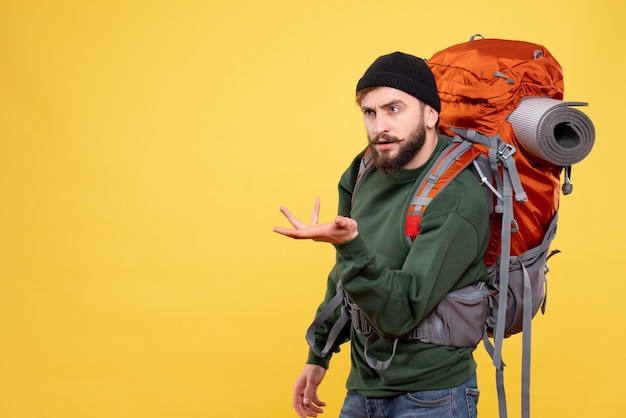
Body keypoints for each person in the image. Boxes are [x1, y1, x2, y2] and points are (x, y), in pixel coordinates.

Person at [273, 51, 490, 418]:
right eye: (369, 112)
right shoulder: (364, 168)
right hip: (363, 388)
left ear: (430, 114)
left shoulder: (455, 197)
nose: (379, 127)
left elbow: (400, 314)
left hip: (434, 396)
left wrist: (350, 246)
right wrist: (319, 354)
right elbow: (345, 276)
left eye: (394, 109)